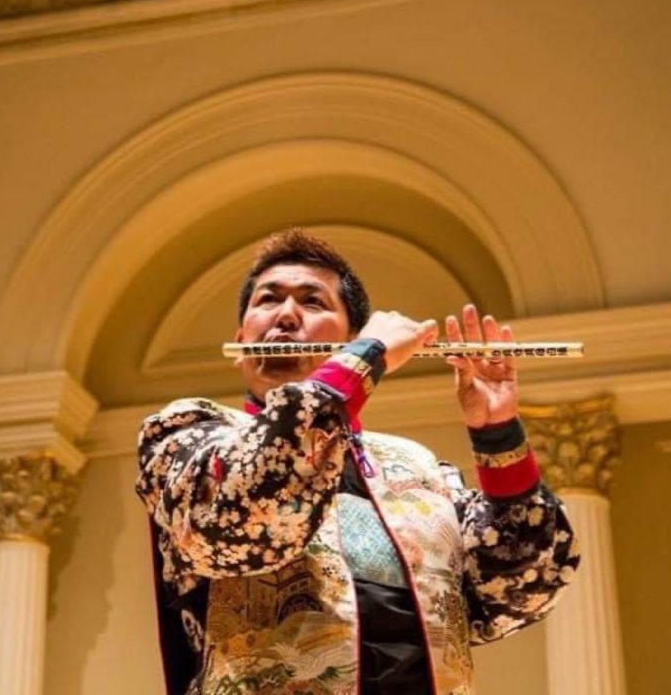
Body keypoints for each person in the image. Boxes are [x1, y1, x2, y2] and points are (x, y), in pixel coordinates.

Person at [136, 229, 579, 695]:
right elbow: (235, 520)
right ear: (240, 337)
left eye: (313, 302)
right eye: (268, 299)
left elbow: (516, 592)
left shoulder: (421, 466)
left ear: (350, 336)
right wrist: (364, 359)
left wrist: (497, 433)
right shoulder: (188, 432)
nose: (285, 315)